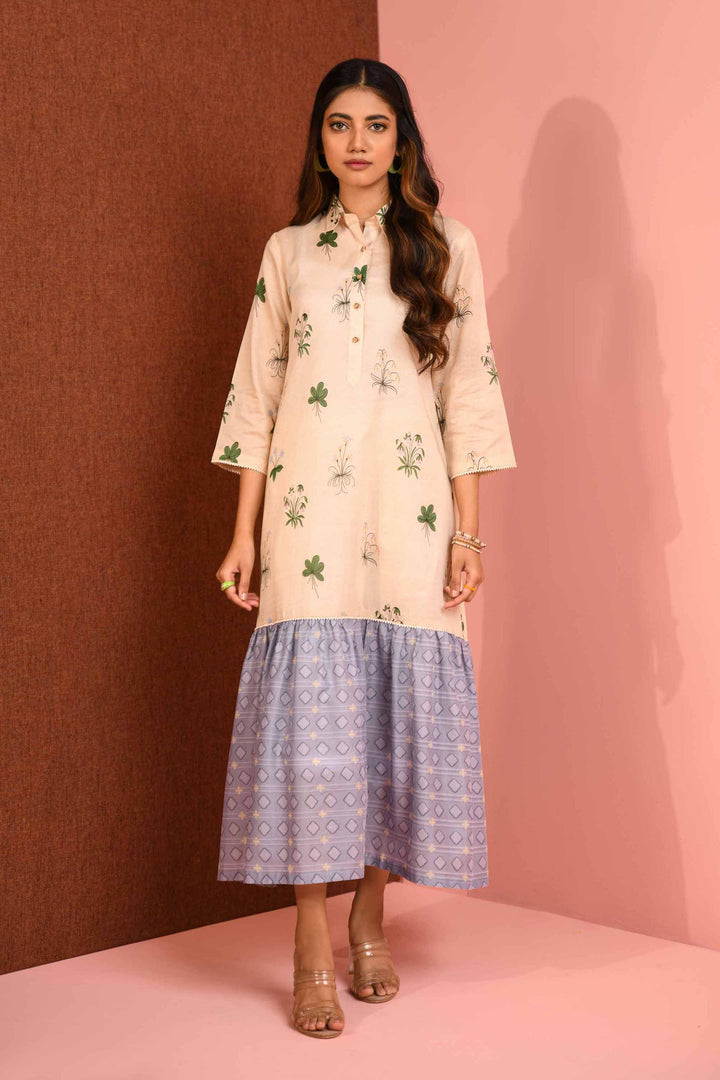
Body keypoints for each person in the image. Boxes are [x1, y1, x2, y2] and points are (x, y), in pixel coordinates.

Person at [211, 57, 517, 1039]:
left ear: (401, 139)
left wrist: (468, 531)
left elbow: (469, 394)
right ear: (320, 140)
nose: (357, 141)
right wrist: (243, 533)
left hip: (411, 516)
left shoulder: (447, 247)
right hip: (308, 520)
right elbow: (255, 397)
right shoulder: (288, 253)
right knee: (314, 736)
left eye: (375, 124)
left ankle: (371, 917)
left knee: (389, 716)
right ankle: (311, 934)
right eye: (339, 123)